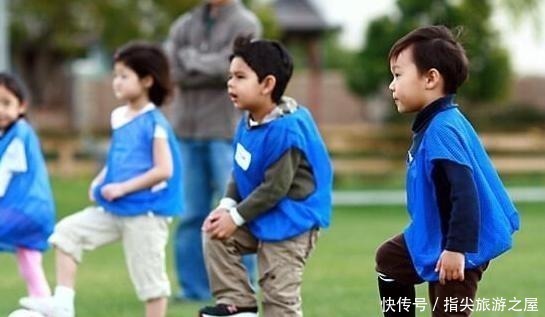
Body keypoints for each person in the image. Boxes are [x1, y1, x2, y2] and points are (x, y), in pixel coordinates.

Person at [20, 42, 184, 317]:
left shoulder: (155, 123)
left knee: (151, 285)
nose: (115, 82)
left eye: (123, 76)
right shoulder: (119, 116)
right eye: (115, 75)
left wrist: (122, 187)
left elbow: (164, 170)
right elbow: (118, 160)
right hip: (114, 210)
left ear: (146, 80)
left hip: (146, 214)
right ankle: (62, 304)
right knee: (66, 234)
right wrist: (101, 179)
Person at [375, 25, 520, 317]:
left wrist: (456, 250)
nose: (392, 85)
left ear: (430, 78)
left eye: (398, 74)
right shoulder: (439, 121)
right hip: (438, 236)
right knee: (390, 260)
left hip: (460, 247)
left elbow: (464, 196)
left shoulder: (443, 129)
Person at [198, 36, 332, 317]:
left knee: (278, 299)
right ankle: (239, 306)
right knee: (215, 233)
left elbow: (275, 188)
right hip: (261, 212)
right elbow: (240, 170)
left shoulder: (287, 129)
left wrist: (234, 218)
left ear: (267, 84)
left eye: (240, 77)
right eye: (229, 76)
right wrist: (226, 207)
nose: (230, 83)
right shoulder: (248, 122)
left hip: (292, 222)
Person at [165, 0, 262, 302]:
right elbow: (172, 69)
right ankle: (192, 288)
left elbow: (234, 68)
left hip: (225, 132)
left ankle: (242, 287)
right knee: (191, 214)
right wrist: (209, 65)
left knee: (235, 212)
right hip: (186, 132)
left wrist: (193, 59)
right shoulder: (184, 23)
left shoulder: (246, 22)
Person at [0, 73, 55, 300]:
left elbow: (2, 175)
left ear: (21, 106)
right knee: (30, 265)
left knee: (29, 262)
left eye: (6, 103)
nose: (0, 110)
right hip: (30, 212)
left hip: (26, 210)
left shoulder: (20, 134)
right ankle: (48, 308)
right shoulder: (8, 135)